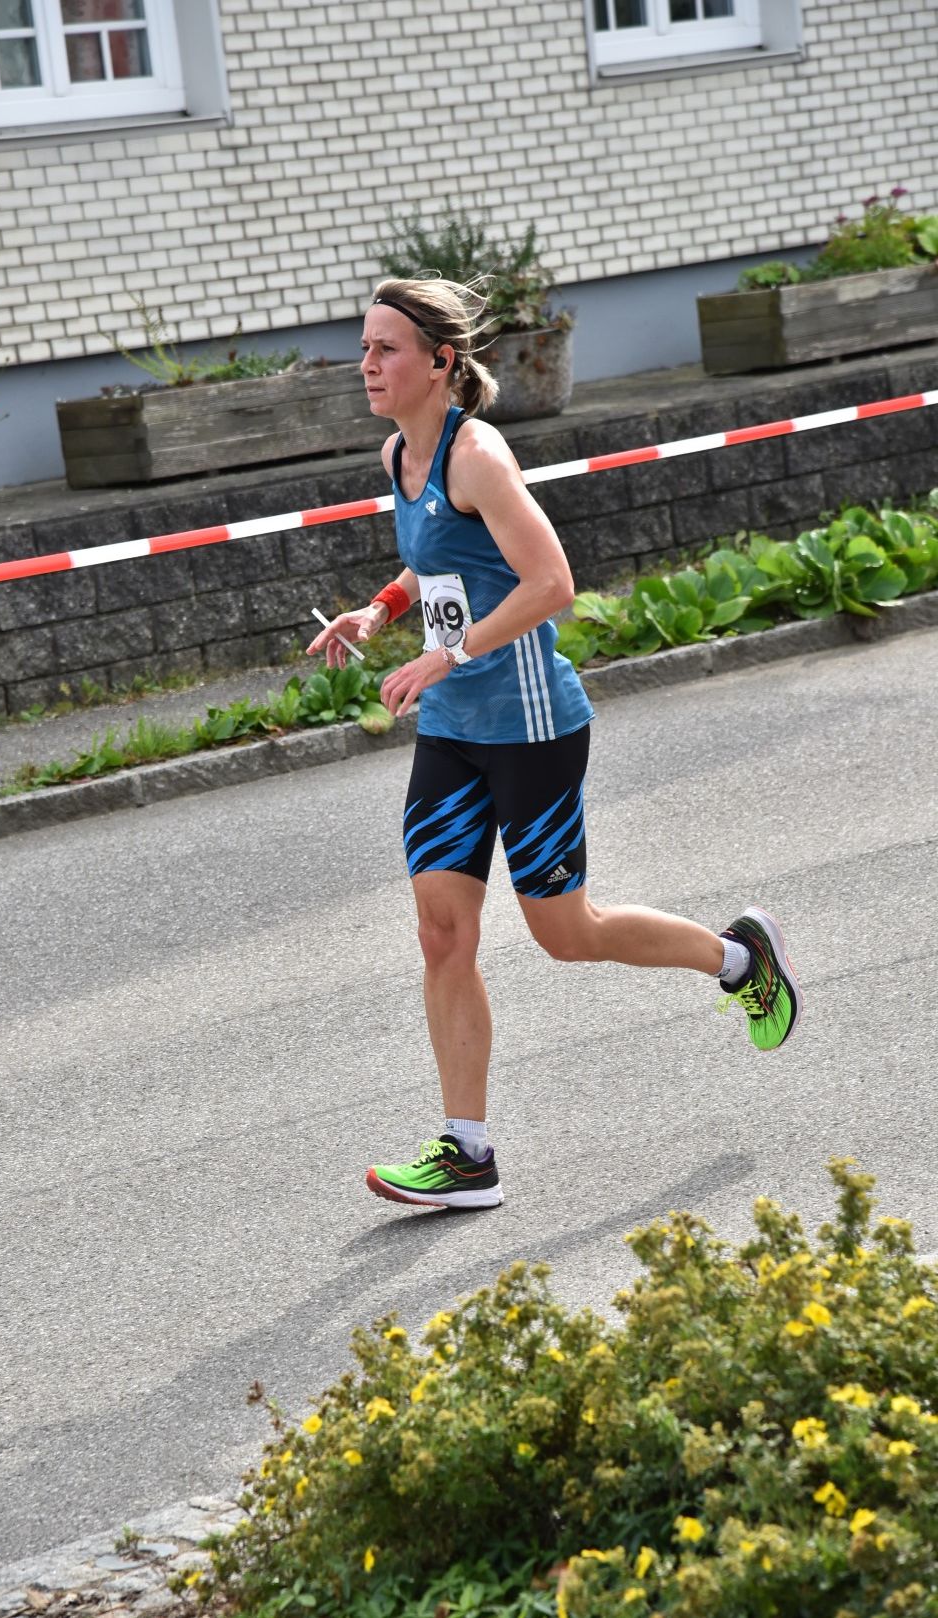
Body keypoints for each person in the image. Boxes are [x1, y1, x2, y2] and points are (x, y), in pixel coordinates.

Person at [307, 277, 801, 1211]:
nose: (366, 364)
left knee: (568, 935)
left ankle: (740, 959)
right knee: (441, 932)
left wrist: (447, 655)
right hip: (452, 730)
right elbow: (438, 557)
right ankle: (468, 1154)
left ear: (440, 361)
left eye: (384, 349)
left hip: (531, 726)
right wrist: (380, 611)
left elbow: (550, 583)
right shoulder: (399, 454)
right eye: (363, 348)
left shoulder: (478, 455)